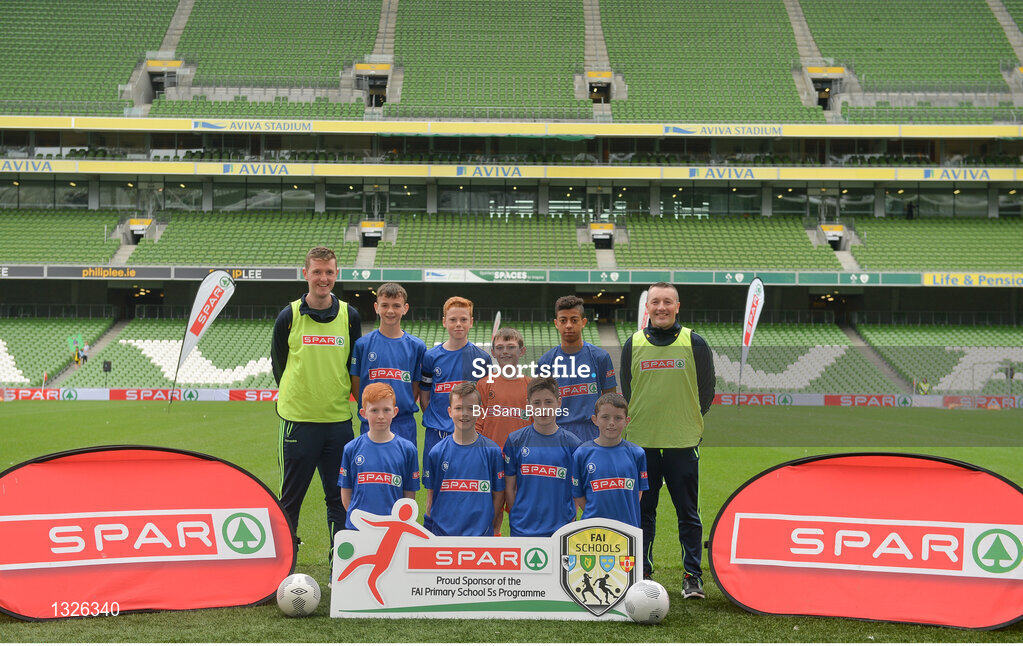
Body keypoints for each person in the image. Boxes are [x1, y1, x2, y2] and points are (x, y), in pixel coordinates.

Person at [620, 282, 715, 600]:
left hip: (682, 442)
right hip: (642, 443)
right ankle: (643, 573)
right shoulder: (632, 343)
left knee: (688, 512)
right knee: (643, 511)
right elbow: (628, 390)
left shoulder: (694, 342)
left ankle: (692, 576)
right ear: (647, 307)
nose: (661, 307)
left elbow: (706, 390)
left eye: (667, 302)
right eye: (655, 301)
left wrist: (685, 420)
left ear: (677, 306)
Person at [272, 246, 362, 556]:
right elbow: (279, 365)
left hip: (337, 422)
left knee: (339, 498)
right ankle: (285, 562)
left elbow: (353, 366)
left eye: (329, 272)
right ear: (305, 274)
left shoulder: (350, 316)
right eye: (317, 272)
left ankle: (339, 565)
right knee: (291, 497)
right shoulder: (289, 315)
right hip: (299, 422)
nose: (323, 278)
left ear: (336, 275)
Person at [350, 282, 426, 450]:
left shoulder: (417, 346)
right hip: (370, 423)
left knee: (403, 473)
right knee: (373, 473)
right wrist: (375, 411)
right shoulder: (362, 345)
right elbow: (357, 385)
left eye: (396, 306)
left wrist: (395, 411)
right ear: (376, 307)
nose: (390, 311)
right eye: (385, 305)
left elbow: (415, 387)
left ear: (405, 308)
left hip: (404, 424)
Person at [423, 382, 505, 536]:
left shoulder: (492, 451)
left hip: (479, 537)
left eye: (471, 408)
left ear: (480, 411)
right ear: (449, 411)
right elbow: (431, 497)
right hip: (443, 536)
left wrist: (488, 527)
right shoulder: (437, 452)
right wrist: (428, 530)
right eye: (459, 408)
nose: (464, 414)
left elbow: (499, 495)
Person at [503, 376, 581, 537]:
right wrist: (517, 516)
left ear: (559, 403)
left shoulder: (573, 444)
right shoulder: (515, 440)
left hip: (560, 530)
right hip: (522, 530)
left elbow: (577, 490)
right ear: (528, 405)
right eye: (537, 403)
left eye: (548, 402)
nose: (543, 408)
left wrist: (569, 520)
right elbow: (509, 487)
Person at [419, 296, 492, 461]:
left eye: (463, 319)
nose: (458, 324)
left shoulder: (482, 358)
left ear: (471, 322)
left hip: (469, 434)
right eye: (453, 319)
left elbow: (485, 400)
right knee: (437, 483)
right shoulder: (430, 357)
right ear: (444, 321)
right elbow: (425, 397)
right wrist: (439, 421)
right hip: (437, 433)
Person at [536, 295, 617, 443]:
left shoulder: (600, 357)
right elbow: (540, 405)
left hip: (592, 433)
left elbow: (610, 400)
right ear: (556, 323)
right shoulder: (545, 362)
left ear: (583, 322)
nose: (568, 325)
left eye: (574, 320)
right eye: (563, 320)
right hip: (557, 432)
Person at [339, 383, 420, 528]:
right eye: (374, 410)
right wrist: (358, 521)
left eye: (386, 410)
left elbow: (409, 496)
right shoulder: (351, 449)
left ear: (395, 412)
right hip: (358, 528)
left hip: (393, 529)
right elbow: (346, 493)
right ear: (363, 413)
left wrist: (401, 523)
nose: (381, 416)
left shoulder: (408, 450)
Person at [572, 393, 648, 528]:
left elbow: (638, 492)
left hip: (627, 528)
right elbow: (578, 494)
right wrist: (595, 516)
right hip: (593, 528)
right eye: (605, 417)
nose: (611, 423)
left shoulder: (637, 453)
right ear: (595, 419)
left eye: (618, 418)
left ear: (627, 421)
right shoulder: (582, 453)